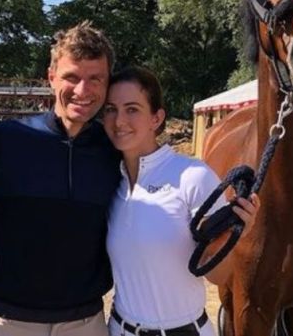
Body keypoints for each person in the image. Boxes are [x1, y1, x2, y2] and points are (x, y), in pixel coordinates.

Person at [0, 21, 121, 336]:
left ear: (106, 83)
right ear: (51, 78)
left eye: (95, 79)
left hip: (86, 322)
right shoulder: (7, 139)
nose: (82, 91)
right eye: (71, 77)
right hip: (11, 321)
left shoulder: (115, 151)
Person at [100, 66, 259, 336]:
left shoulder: (192, 177)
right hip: (118, 329)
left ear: (156, 118)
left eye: (132, 109)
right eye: (111, 109)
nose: (119, 121)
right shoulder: (110, 182)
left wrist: (239, 235)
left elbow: (217, 276)